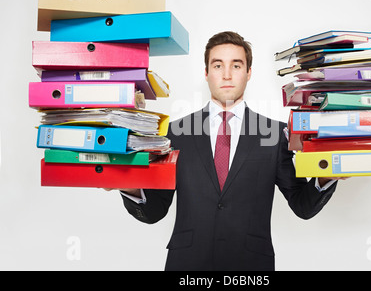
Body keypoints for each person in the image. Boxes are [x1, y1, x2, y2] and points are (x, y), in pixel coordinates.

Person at [113, 31, 342, 271]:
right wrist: (130, 188)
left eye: (236, 65)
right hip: (187, 266)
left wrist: (326, 177)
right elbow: (154, 212)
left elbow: (302, 206)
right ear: (206, 73)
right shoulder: (175, 133)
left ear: (248, 73)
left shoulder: (275, 135)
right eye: (218, 65)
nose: (226, 74)